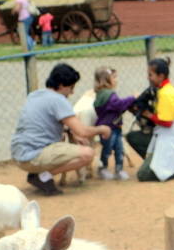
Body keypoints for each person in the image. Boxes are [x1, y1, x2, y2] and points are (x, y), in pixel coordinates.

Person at [11, 63, 110, 195]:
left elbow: (52, 122)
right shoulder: (58, 100)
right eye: (71, 87)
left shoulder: (35, 95)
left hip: (18, 153)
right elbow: (83, 131)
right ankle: (42, 177)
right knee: (88, 154)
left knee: (74, 147)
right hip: (34, 156)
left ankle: (40, 174)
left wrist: (72, 133)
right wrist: (102, 129)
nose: (72, 92)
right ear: (62, 85)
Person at [136, 58, 174, 182]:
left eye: (151, 75)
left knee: (143, 175)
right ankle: (167, 161)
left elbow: (167, 122)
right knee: (133, 137)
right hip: (165, 134)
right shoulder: (163, 89)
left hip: (170, 135)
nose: (148, 77)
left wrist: (147, 114)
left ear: (161, 76)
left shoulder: (166, 93)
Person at [93, 67, 138, 181]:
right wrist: (132, 98)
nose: (116, 80)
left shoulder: (102, 94)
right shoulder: (109, 95)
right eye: (113, 77)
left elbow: (115, 109)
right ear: (106, 80)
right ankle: (103, 169)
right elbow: (118, 105)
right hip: (109, 129)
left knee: (118, 148)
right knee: (109, 149)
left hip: (114, 127)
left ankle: (118, 170)